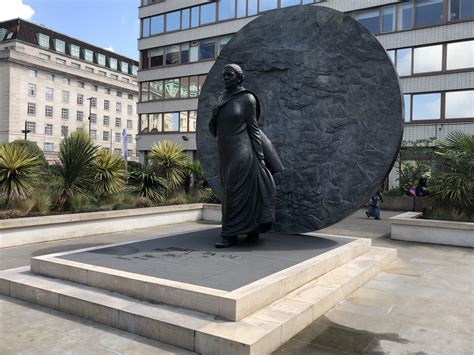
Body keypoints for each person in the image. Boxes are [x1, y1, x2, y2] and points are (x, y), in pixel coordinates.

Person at [209, 64, 277, 248]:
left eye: (229, 75)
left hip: (242, 150)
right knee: (233, 190)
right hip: (225, 151)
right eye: (224, 75)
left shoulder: (247, 99)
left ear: (239, 78)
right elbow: (214, 131)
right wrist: (214, 116)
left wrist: (261, 158)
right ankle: (252, 230)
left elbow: (254, 129)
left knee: (234, 191)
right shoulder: (222, 98)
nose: (225, 78)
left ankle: (228, 234)